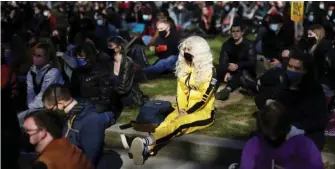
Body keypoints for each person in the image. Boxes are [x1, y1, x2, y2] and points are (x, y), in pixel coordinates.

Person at [127, 36, 217, 165]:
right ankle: (146, 149)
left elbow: (204, 98)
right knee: (167, 123)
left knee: (179, 124)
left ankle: (146, 142)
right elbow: (180, 93)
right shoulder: (184, 69)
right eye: (184, 48)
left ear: (199, 51)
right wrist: (181, 109)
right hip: (182, 108)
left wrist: (187, 112)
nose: (185, 51)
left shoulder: (210, 71)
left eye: (189, 49)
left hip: (203, 112)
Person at [255, 49, 329, 151]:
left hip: (305, 132)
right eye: (290, 66)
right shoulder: (284, 83)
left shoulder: (314, 90)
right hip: (284, 130)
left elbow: (321, 120)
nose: (292, 70)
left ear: (306, 70)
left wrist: (300, 129)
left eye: (297, 68)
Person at [239, 101, 324, 169]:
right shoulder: (254, 144)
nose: (273, 138)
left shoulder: (304, 145)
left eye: (276, 133)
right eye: (268, 134)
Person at [42, 84, 106, 166]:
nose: (52, 113)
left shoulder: (90, 120)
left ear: (61, 103)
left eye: (52, 109)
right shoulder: (70, 115)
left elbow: (90, 158)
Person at [23, 110, 94, 169]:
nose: (25, 134)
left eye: (28, 130)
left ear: (42, 132)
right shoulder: (69, 146)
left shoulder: (44, 163)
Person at [17, 43, 64, 126]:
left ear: (47, 58)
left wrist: (31, 108)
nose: (35, 58)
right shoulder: (31, 72)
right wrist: (30, 106)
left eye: (39, 56)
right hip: (38, 106)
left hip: (54, 105)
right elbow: (30, 92)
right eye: (34, 55)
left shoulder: (53, 72)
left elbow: (44, 94)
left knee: (23, 118)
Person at [215, 21, 257, 100]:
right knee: (217, 70)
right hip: (230, 69)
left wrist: (238, 65)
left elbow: (252, 62)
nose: (235, 33)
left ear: (242, 32)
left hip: (245, 71)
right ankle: (211, 90)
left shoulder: (249, 45)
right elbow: (223, 60)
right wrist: (226, 71)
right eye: (233, 31)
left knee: (241, 73)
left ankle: (227, 90)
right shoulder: (227, 44)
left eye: (237, 31)